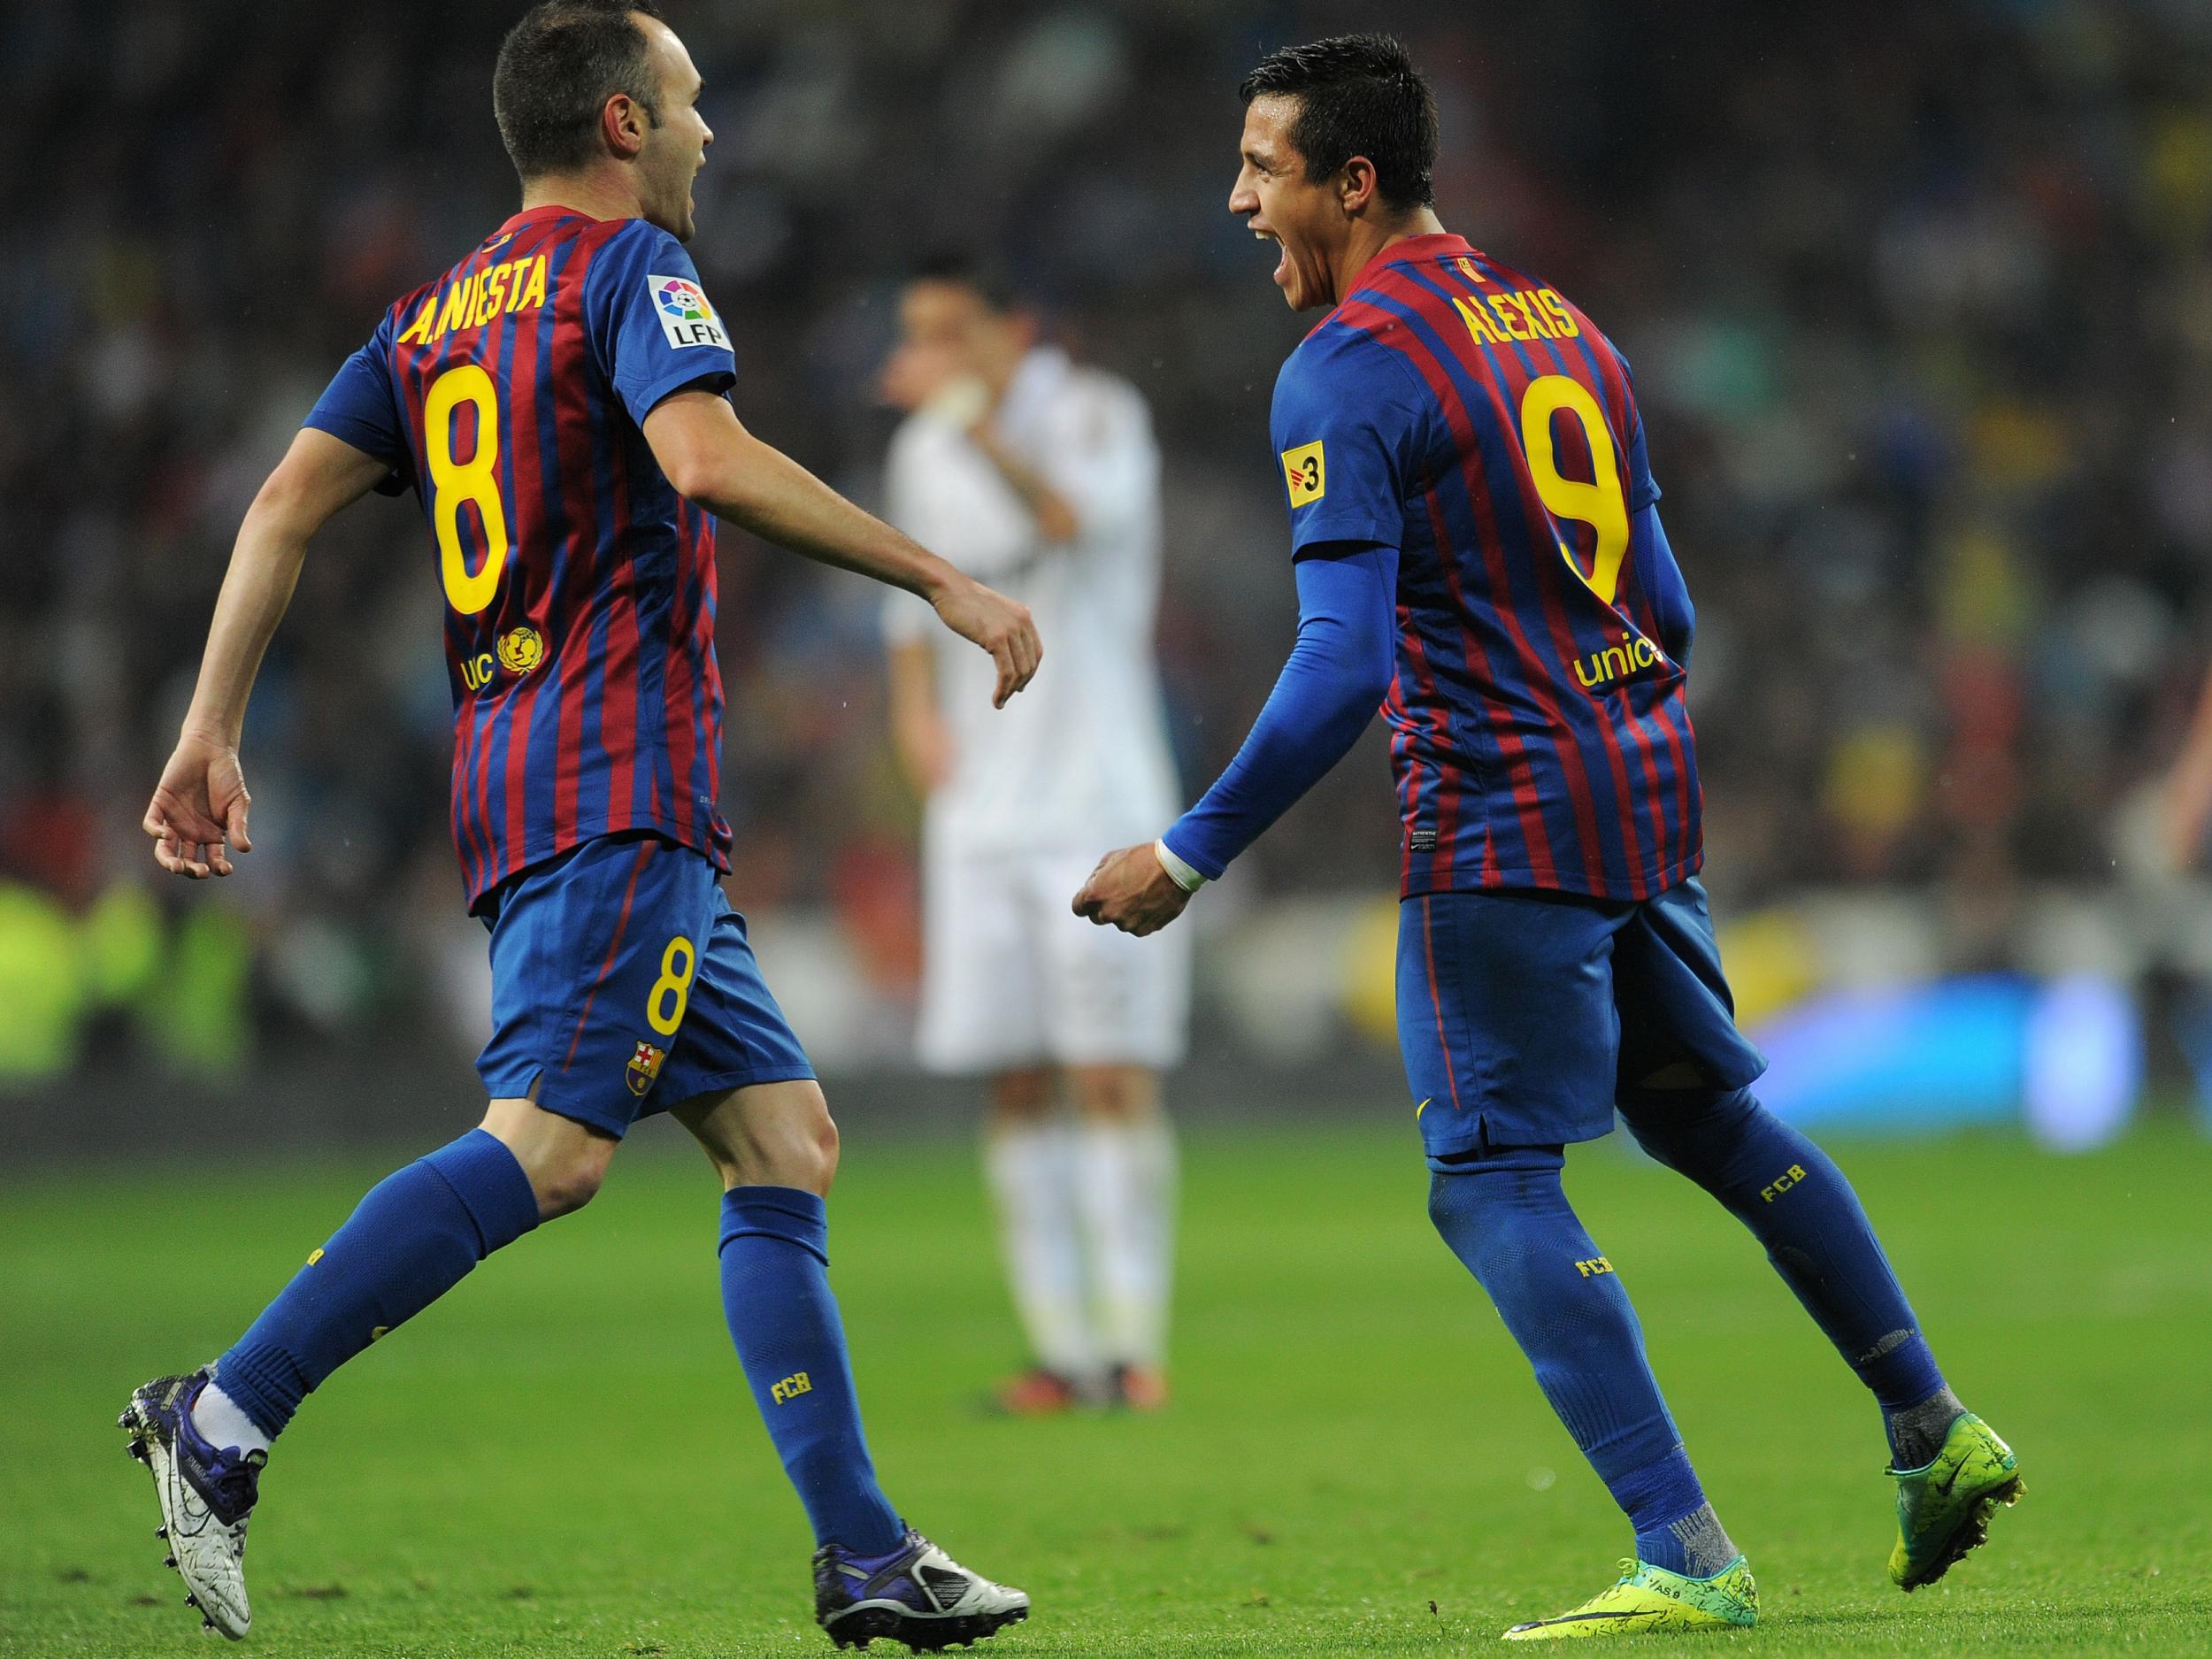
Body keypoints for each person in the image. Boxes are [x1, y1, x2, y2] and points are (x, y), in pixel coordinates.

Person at [1074, 34, 2022, 1642]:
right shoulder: (1562, 323)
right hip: (1640, 787)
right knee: (1711, 1120)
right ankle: (1935, 1426)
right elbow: (1667, 607)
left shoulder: (1348, 367)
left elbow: (1344, 665)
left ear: (1353, 183)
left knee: (1488, 1177)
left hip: (1501, 816)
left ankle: (1686, 1550)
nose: (1237, 201)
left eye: (1263, 169)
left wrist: (1190, 849)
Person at [124, 4, 1036, 1649]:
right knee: (547, 1153)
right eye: (687, 104)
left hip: (539, 777)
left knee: (783, 1140)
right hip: (612, 780)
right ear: (620, 123)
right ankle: (228, 1418)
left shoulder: (425, 317)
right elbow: (702, 459)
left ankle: (865, 1556)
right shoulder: (631, 273)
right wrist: (942, 579)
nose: (706, 133)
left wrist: (206, 729)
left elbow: (278, 508)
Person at [879, 257, 1186, 1414]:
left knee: (1109, 1074)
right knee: (1013, 1081)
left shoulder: (1097, 413)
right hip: (981, 811)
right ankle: (1061, 1355)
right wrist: (912, 715)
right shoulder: (920, 452)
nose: (934, 356)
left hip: (1096, 796)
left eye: (952, 331)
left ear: (1015, 328)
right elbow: (901, 600)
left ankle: (1135, 1348)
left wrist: (970, 422)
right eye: (919, 335)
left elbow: (1063, 520)